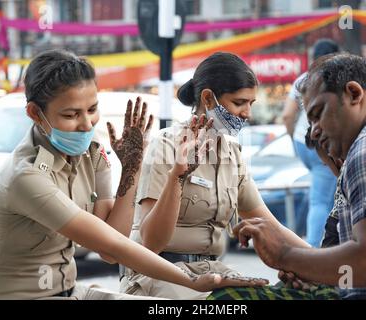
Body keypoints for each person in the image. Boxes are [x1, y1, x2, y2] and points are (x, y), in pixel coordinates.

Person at [0, 49, 267, 300]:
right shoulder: (26, 176)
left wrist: (131, 167)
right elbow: (113, 246)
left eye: (92, 110)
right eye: (70, 115)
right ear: (35, 113)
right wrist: (189, 280)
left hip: (70, 291)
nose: (85, 124)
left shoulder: (90, 155)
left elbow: (112, 242)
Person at [119, 52, 310, 299]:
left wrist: (318, 262)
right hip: (158, 276)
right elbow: (151, 243)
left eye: (251, 104)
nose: (247, 113)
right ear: (208, 98)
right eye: (239, 102)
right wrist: (178, 175)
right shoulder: (167, 145)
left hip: (212, 272)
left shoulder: (232, 155)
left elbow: (270, 225)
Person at [233, 53, 366, 299]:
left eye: (318, 113)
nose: (315, 130)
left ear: (354, 93)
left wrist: (284, 255)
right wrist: (310, 268)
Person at [282, 39, 339, 247]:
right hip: (322, 145)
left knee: (323, 196)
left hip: (301, 142)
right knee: (322, 201)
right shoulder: (335, 80)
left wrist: (294, 142)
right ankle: (314, 250)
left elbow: (288, 116)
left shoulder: (302, 79)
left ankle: (327, 245)